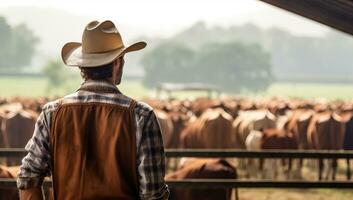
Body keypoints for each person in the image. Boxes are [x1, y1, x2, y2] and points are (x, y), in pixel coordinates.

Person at [17, 20, 170, 200]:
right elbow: (153, 194)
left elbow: (28, 176)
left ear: (82, 66)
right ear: (118, 63)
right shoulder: (142, 116)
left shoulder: (52, 114)